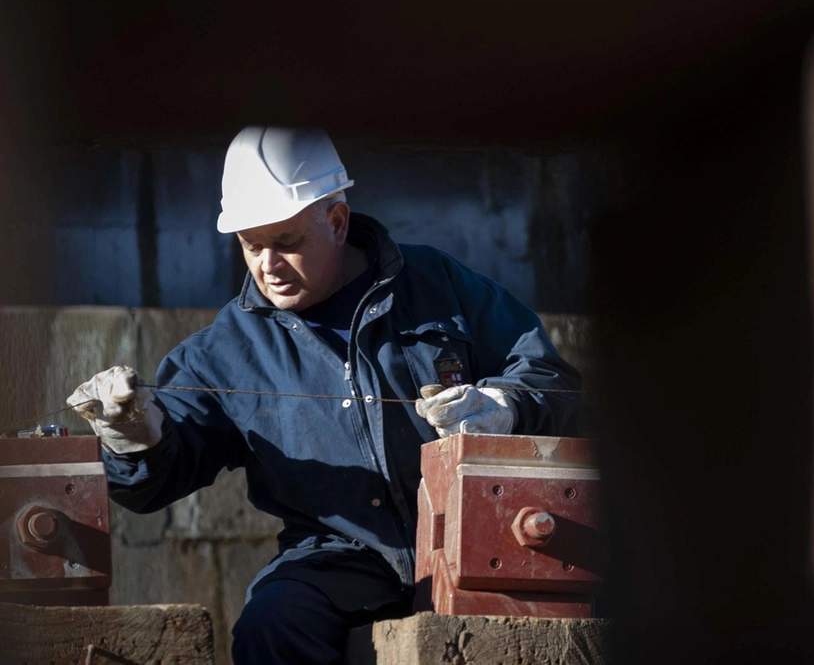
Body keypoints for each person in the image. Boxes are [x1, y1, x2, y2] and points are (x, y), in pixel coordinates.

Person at [66, 126, 582, 664]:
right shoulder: (223, 352)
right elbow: (157, 483)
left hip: (474, 536)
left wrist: (504, 407)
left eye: (286, 243)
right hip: (338, 559)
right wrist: (134, 438)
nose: (267, 264)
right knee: (272, 627)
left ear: (336, 223)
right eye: (251, 246)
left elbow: (554, 379)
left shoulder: (438, 286)